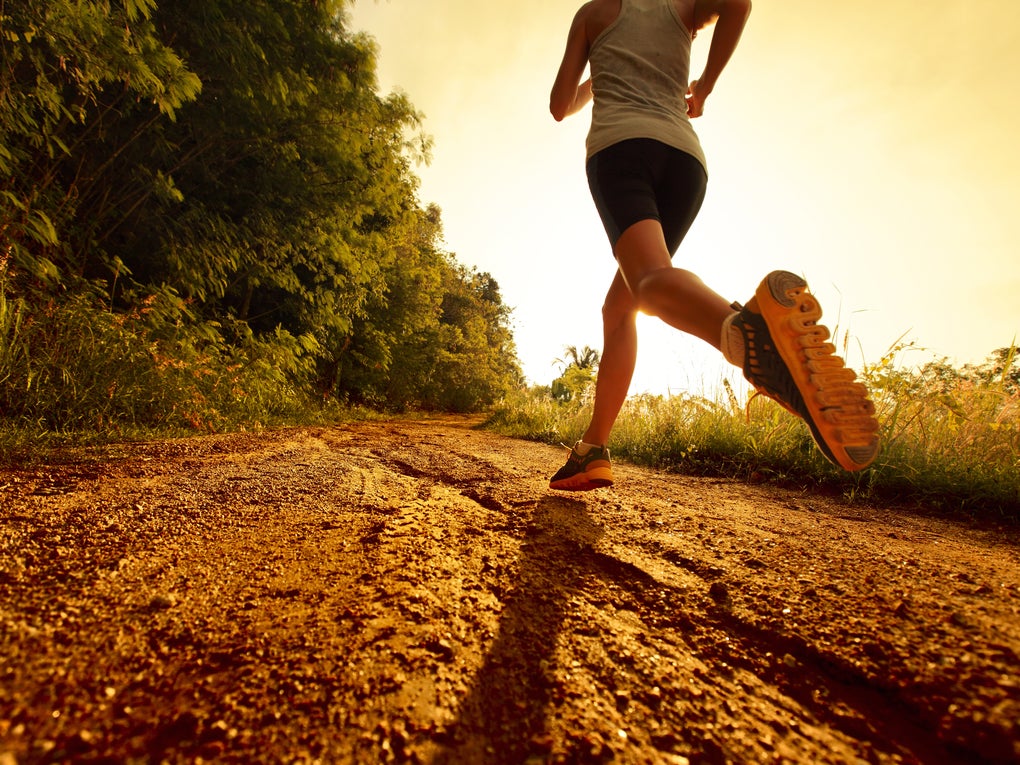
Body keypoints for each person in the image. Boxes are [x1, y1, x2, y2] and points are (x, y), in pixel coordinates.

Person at [547, 0, 879, 491]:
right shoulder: (679, 7)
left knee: (649, 282)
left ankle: (743, 330)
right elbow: (738, 3)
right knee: (620, 306)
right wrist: (704, 86)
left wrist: (599, 74)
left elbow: (559, 106)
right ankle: (593, 448)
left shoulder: (594, 14)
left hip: (622, 149)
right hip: (685, 163)